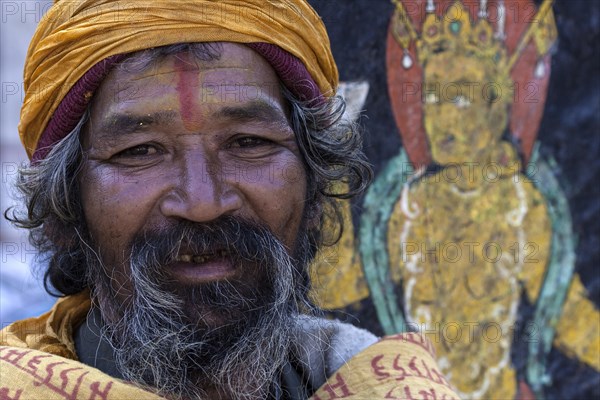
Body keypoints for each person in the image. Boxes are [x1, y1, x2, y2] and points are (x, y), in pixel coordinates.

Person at [0, 1, 460, 399]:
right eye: (139, 152)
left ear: (315, 187)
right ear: (65, 208)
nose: (203, 202)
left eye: (247, 142)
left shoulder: (387, 384)